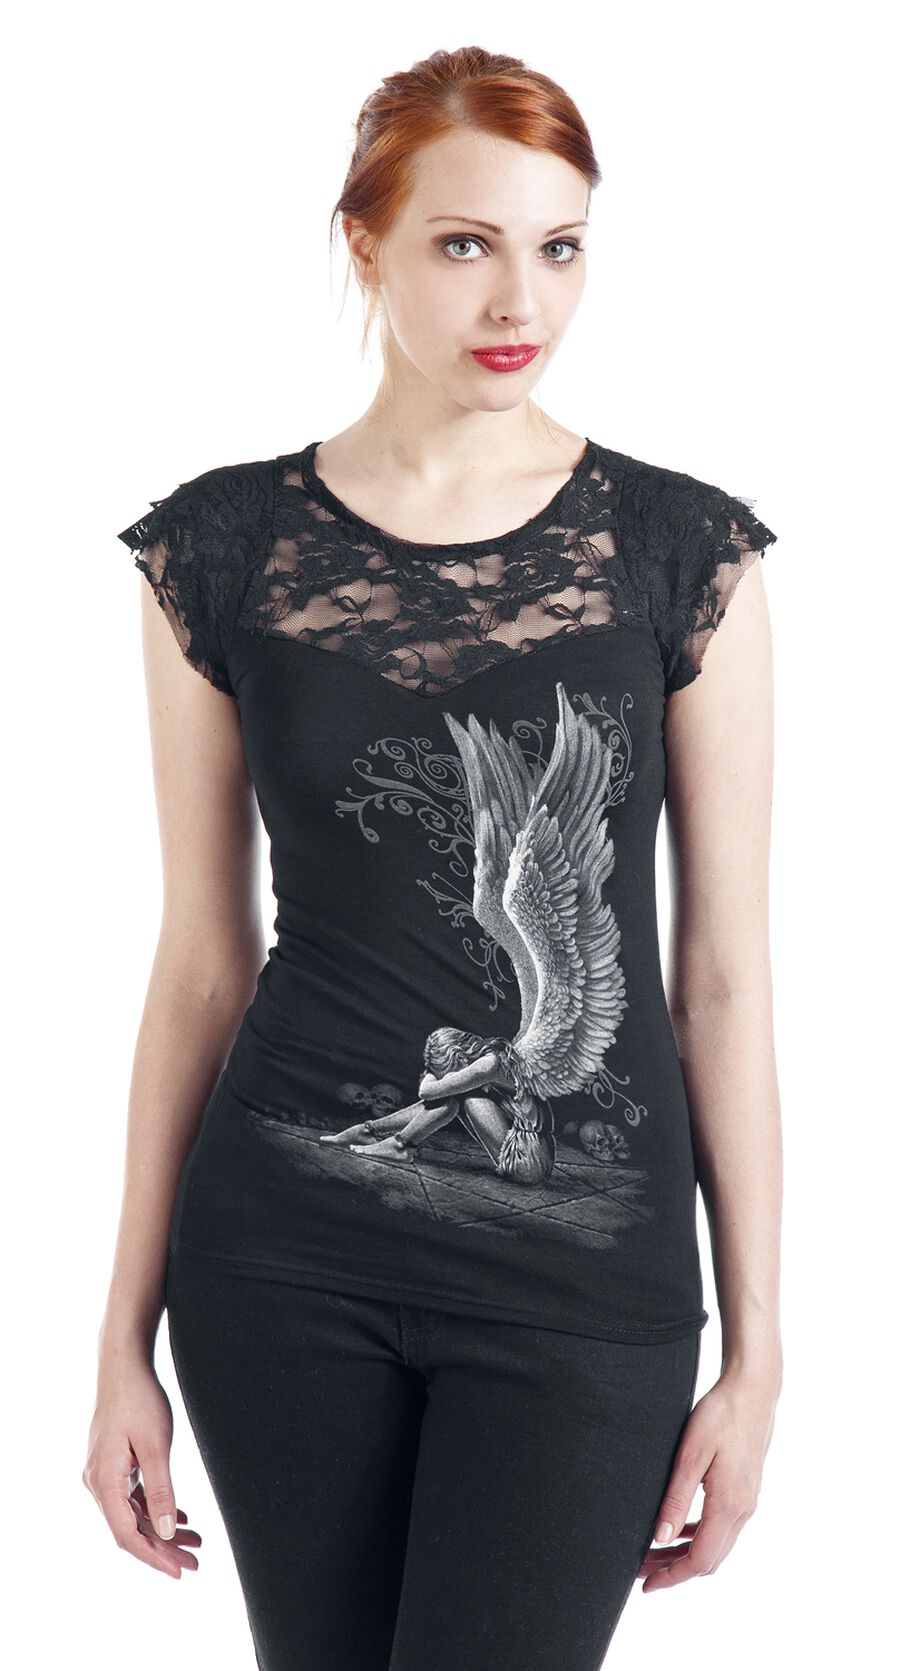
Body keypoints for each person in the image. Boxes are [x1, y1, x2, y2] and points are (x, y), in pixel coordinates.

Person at [83, 43, 784, 1671]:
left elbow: (723, 976)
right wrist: (121, 1337)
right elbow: (201, 963)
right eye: (465, 243)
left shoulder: (680, 551)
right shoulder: (221, 548)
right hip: (279, 1267)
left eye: (559, 246)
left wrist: (759, 1357)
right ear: (366, 241)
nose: (519, 298)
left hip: (586, 1293)